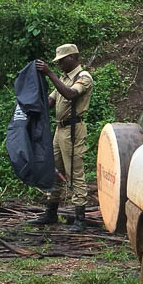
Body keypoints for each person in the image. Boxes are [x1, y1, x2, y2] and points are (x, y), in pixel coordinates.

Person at [27, 43, 94, 232]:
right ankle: (51, 212)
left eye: (62, 60)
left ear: (73, 58)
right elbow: (50, 101)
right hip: (59, 131)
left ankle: (80, 219)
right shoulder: (63, 78)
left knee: (75, 173)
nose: (60, 65)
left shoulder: (83, 77)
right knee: (53, 170)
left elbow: (70, 94)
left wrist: (49, 74)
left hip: (73, 131)